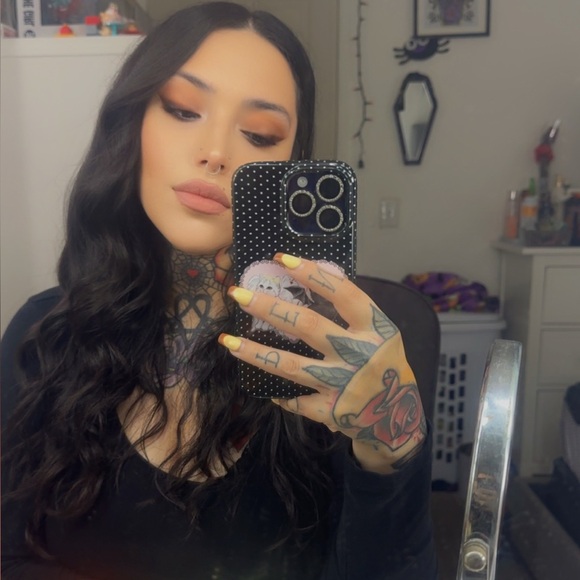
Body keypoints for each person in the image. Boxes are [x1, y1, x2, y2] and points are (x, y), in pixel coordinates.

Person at [1, 2, 437, 579]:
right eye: (183, 110)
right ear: (130, 124)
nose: (216, 152)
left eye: (259, 134)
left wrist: (389, 451)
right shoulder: (43, 335)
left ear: (289, 165)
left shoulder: (336, 357)